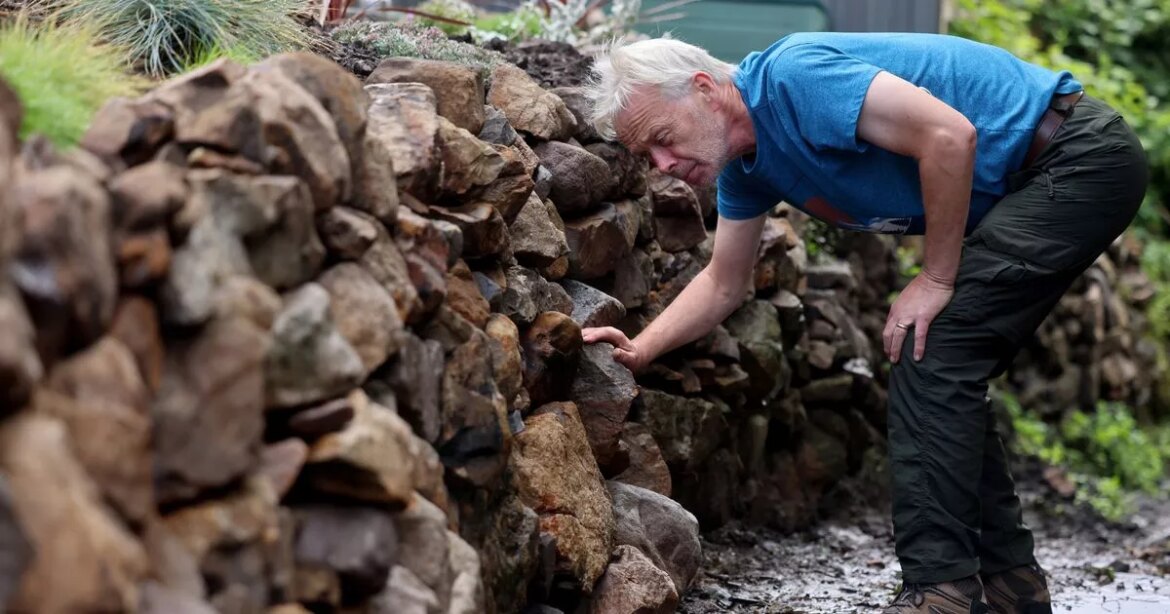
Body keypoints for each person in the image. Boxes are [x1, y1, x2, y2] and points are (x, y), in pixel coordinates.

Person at [580, 31, 1149, 614]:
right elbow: (724, 283)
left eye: (662, 139)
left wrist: (935, 279)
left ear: (704, 88)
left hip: (1074, 158)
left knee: (935, 344)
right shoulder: (748, 170)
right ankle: (1006, 585)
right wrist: (642, 349)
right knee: (938, 354)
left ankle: (945, 590)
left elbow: (950, 135)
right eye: (649, 156)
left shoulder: (793, 79)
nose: (663, 166)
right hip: (1035, 181)